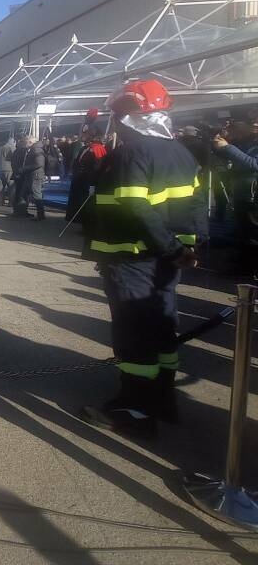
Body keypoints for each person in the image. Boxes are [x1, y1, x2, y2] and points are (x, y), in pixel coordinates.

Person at [81, 80, 206, 434]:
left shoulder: (131, 153)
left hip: (133, 257)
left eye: (116, 116)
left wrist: (169, 246)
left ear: (128, 116)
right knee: (162, 325)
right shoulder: (181, 152)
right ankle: (162, 399)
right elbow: (197, 203)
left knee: (134, 331)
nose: (114, 123)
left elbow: (135, 206)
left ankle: (134, 410)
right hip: (170, 260)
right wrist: (190, 246)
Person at [213, 118, 258, 278]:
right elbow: (240, 163)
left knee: (253, 233)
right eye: (252, 122)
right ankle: (244, 265)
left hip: (253, 197)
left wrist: (228, 147)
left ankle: (250, 269)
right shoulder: (248, 141)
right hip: (243, 194)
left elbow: (254, 164)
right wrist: (222, 145)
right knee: (244, 232)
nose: (255, 124)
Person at [65, 125, 106, 223]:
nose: (83, 135)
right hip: (79, 180)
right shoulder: (85, 148)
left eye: (86, 134)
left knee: (86, 203)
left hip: (88, 181)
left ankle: (86, 223)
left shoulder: (98, 148)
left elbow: (97, 168)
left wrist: (93, 184)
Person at [9, 136, 31, 215]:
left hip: (17, 174)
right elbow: (23, 163)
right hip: (22, 175)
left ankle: (17, 210)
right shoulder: (24, 151)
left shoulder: (16, 151)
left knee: (18, 192)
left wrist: (15, 172)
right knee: (22, 193)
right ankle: (21, 211)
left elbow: (13, 163)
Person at [0, 137, 15, 206]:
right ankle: (11, 203)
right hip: (9, 169)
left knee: (0, 187)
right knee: (11, 187)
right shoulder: (12, 148)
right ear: (12, 142)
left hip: (0, 169)